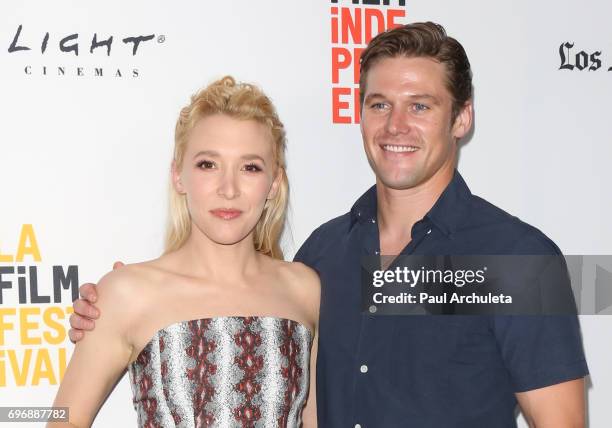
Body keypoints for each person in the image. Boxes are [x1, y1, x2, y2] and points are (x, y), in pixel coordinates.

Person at [69, 23, 589, 427]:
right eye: (379, 104)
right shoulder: (323, 258)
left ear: (462, 118)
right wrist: (123, 304)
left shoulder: (517, 262)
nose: (396, 126)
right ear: (359, 113)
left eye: (421, 106)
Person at [50, 76, 319, 427]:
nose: (229, 189)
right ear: (179, 176)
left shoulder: (304, 290)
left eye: (250, 167)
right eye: (208, 164)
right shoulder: (127, 293)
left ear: (274, 184)